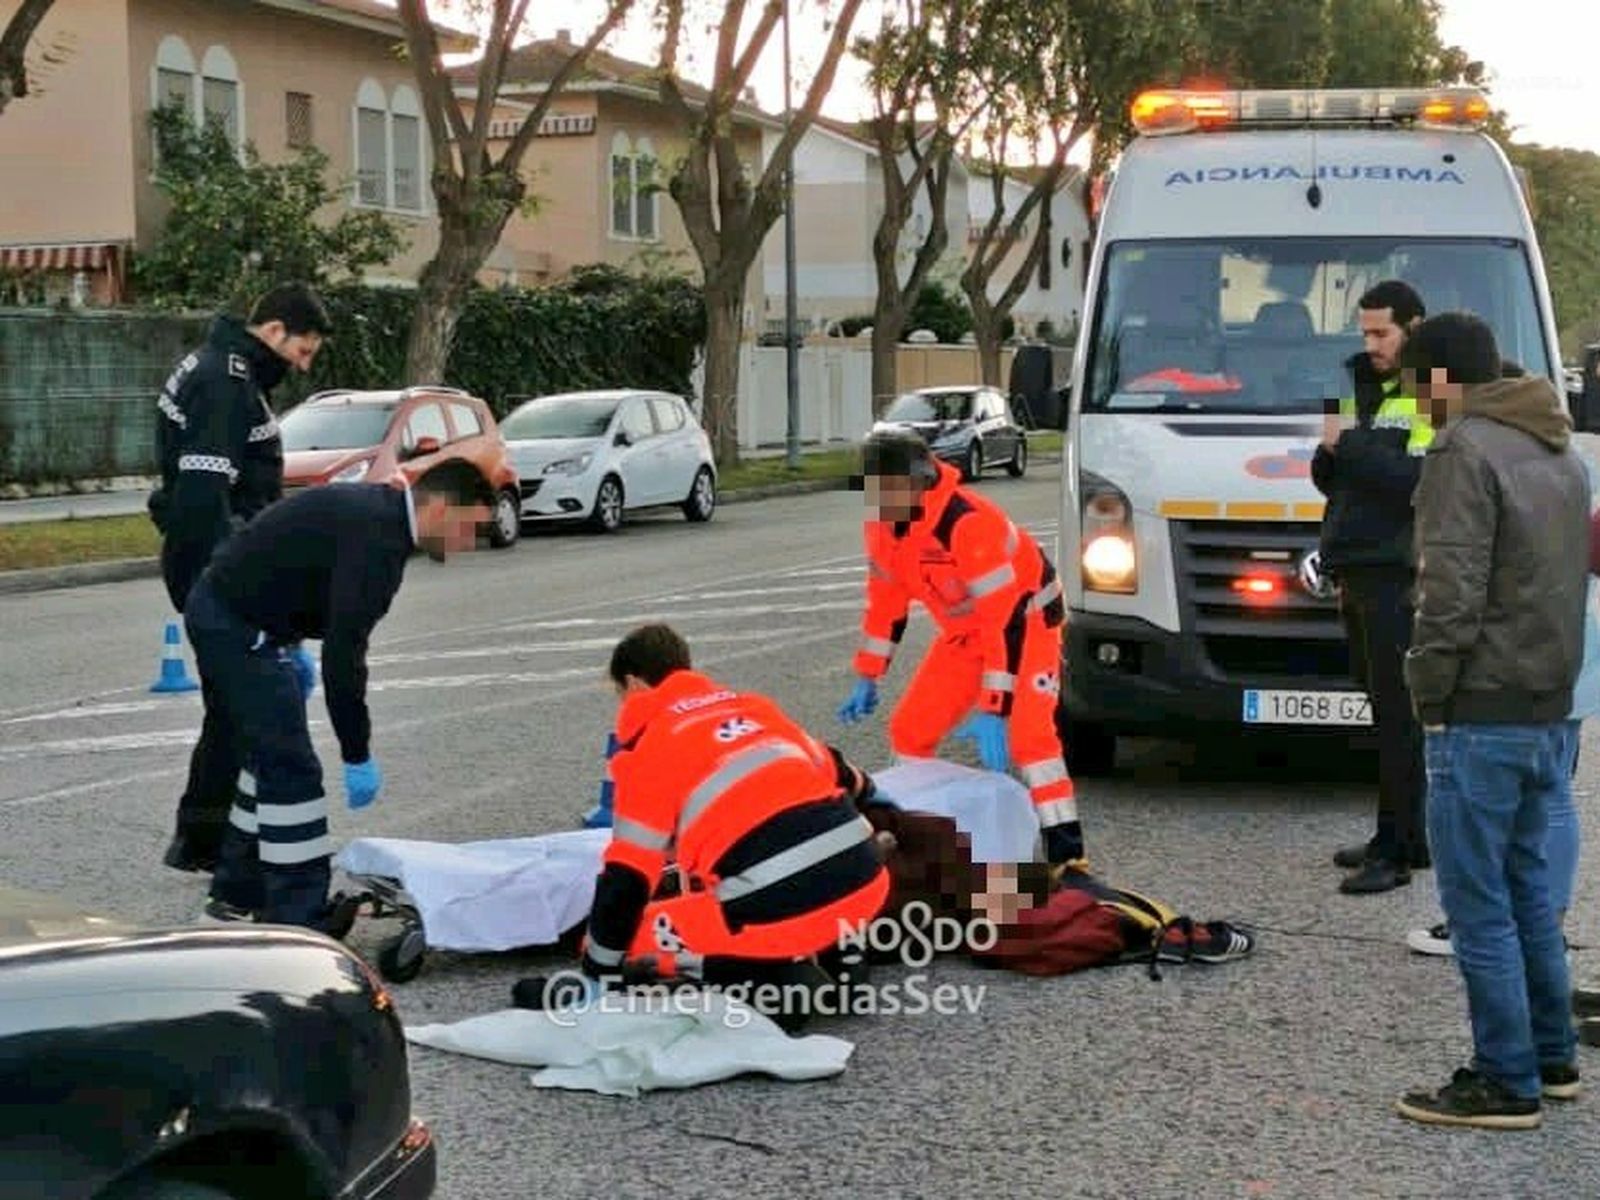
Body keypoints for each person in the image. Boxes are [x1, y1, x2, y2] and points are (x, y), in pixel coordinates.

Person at [1395, 313, 1589, 1130]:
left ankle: (1505, 1080)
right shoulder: (1557, 448)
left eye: (1415, 386)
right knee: (1528, 893)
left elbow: (1450, 591)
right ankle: (1552, 1056)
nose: (1413, 403)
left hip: (1481, 708)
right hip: (1548, 704)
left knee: (1477, 906)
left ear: (1441, 378)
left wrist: (1428, 690)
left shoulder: (1463, 450)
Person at [513, 625, 890, 1023]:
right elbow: (840, 771)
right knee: (785, 873)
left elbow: (627, 878)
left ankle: (774, 983)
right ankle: (838, 955)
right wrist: (873, 791)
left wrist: (597, 973)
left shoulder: (647, 750)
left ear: (634, 684)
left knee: (639, 933)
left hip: (774, 904)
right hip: (865, 879)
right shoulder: (755, 709)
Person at [189, 465, 489, 932]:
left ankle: (235, 898)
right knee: (293, 770)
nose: (469, 544)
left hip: (239, 616)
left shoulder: (380, 517)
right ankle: (299, 918)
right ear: (438, 507)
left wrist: (288, 640)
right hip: (236, 626)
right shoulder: (379, 541)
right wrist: (356, 752)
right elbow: (344, 654)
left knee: (268, 758)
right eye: (469, 528)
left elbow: (298, 567)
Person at [836, 430, 1084, 868]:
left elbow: (1004, 620)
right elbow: (886, 603)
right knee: (910, 729)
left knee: (1031, 739)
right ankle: (914, 840)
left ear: (920, 482)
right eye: (874, 489)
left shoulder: (967, 523)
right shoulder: (881, 529)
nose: (880, 500)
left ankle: (1067, 856)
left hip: (1027, 624)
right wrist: (868, 674)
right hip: (966, 634)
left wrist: (995, 706)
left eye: (889, 488)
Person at [149, 283, 332, 874]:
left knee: (230, 708)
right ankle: (212, 843)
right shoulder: (225, 383)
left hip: (216, 567)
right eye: (301, 351)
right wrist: (241, 590)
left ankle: (202, 838)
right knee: (244, 707)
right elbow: (204, 498)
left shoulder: (224, 371)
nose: (302, 366)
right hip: (221, 573)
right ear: (274, 331)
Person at [1406, 409, 1600, 957]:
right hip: (1572, 646)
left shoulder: (1489, 466)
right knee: (1552, 793)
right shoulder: (1572, 462)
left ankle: (1484, 924)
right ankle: (1545, 924)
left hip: (1519, 652)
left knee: (1489, 798)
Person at [1310, 279, 1432, 894]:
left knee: (1398, 716)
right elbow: (1332, 478)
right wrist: (1328, 453)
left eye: (1382, 333)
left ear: (1414, 326)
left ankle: (1395, 851)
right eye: (1365, 333)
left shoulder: (1434, 389)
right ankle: (1406, 834)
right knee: (1382, 710)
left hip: (1397, 573)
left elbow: (1419, 480)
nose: (1372, 344)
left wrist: (1350, 445)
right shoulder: (1355, 383)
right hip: (1355, 565)